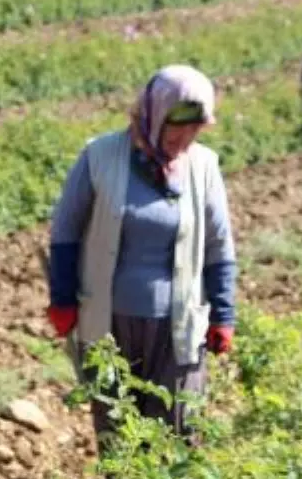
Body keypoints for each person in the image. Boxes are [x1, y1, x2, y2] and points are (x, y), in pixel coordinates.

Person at [45, 65, 236, 449]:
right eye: (176, 126)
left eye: (195, 129)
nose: (184, 138)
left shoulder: (203, 167)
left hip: (178, 326)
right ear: (155, 113)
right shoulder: (99, 156)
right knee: (118, 430)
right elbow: (65, 232)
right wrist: (63, 299)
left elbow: (219, 246)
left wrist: (223, 313)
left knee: (177, 429)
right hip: (109, 322)